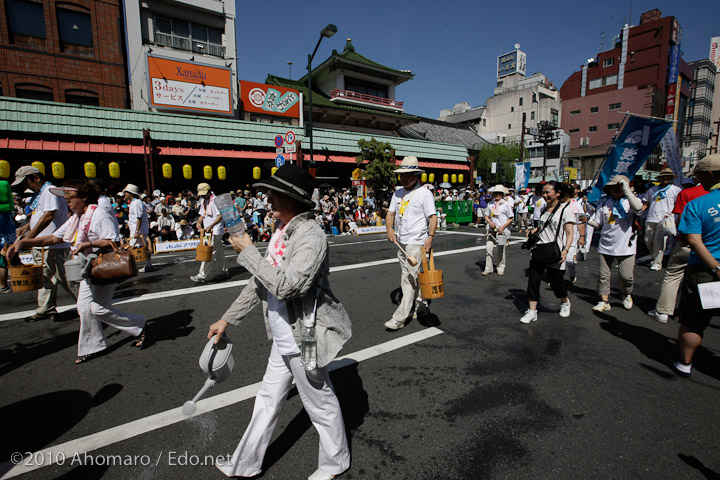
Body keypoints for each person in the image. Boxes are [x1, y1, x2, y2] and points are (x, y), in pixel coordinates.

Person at [208, 165, 352, 480]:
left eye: (274, 193)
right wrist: (227, 319)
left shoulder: (311, 235)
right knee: (267, 399)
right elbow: (261, 280)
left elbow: (288, 286)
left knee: (319, 401)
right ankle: (244, 464)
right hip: (282, 335)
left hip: (307, 335)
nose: (268, 198)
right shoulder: (280, 231)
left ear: (293, 198)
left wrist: (247, 252)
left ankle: (335, 462)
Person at [7, 181, 147, 364]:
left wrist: (88, 244)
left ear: (83, 197)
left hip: (103, 267)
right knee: (83, 308)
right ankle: (93, 346)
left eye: (69, 198)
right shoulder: (76, 218)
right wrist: (23, 243)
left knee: (97, 308)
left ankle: (139, 325)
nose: (67, 202)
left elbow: (112, 240)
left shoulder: (98, 214)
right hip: (86, 269)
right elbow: (53, 238)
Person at [672, 155, 720, 377]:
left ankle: (685, 363)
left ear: (710, 175)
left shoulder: (698, 203)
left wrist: (716, 267)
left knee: (694, 321)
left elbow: (693, 240)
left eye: (699, 174)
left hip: (705, 272)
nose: (697, 179)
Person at [11, 166, 76, 321]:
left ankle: (88, 305)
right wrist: (26, 227)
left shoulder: (50, 191)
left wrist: (28, 239)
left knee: (66, 279)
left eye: (26, 182)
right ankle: (46, 308)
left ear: (36, 177)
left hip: (54, 244)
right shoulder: (40, 193)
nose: (25, 186)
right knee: (45, 278)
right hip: (42, 244)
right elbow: (40, 214)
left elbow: (48, 216)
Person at [385, 156, 437, 330]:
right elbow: (390, 214)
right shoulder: (397, 193)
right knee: (413, 278)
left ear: (416, 174)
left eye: (408, 174)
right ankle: (421, 307)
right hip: (402, 243)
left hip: (418, 242)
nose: (404, 178)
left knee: (407, 279)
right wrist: (389, 229)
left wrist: (430, 237)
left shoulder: (425, 193)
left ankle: (399, 318)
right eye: (402, 175)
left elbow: (432, 217)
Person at [647, 177, 708, 323]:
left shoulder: (687, 193)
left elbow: (681, 220)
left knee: (673, 276)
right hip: (712, 246)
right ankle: (701, 314)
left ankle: (663, 311)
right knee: (705, 278)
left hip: (688, 243)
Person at [583, 175, 643, 312]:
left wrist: (627, 190)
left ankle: (626, 293)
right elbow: (598, 223)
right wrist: (586, 219)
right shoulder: (604, 203)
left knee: (626, 276)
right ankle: (604, 300)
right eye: (613, 187)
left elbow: (639, 208)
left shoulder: (631, 202)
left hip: (626, 247)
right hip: (606, 245)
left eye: (619, 187)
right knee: (604, 275)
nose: (616, 189)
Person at [520, 181, 575, 324]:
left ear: (558, 193)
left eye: (547, 192)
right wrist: (534, 230)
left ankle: (564, 302)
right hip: (539, 250)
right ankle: (532, 311)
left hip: (554, 251)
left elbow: (569, 233)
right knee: (533, 281)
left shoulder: (565, 210)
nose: (544, 195)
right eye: (543, 192)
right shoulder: (544, 209)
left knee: (556, 284)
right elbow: (542, 227)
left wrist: (566, 250)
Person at [642, 168, 682, 271]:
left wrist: (674, 215)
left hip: (665, 219)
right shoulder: (653, 190)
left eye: (668, 176)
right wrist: (639, 212)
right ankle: (654, 256)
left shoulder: (676, 190)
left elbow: (679, 204)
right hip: (651, 218)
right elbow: (646, 203)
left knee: (659, 242)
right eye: (664, 176)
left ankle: (657, 262)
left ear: (671, 178)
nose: (666, 178)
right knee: (648, 240)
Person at [191, 183, 228, 283]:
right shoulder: (203, 201)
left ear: (209, 191)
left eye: (203, 193)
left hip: (215, 229)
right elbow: (202, 215)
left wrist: (211, 225)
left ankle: (202, 274)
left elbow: (220, 216)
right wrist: (198, 222)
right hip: (208, 229)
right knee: (218, 251)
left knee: (210, 251)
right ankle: (224, 271)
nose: (202, 196)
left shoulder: (216, 200)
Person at [482, 185, 514, 276]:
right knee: (488, 249)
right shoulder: (490, 204)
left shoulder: (506, 204)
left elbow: (510, 218)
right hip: (492, 230)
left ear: (503, 194)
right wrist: (490, 222)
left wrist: (503, 227)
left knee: (501, 249)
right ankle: (488, 268)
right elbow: (486, 216)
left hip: (502, 231)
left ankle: (500, 267)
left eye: (500, 193)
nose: (497, 195)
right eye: (496, 193)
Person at [123, 184, 154, 273]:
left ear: (130, 193)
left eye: (126, 193)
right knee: (144, 247)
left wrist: (136, 231)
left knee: (130, 247)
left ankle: (130, 267)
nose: (125, 195)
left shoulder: (136, 203)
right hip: (137, 229)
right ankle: (148, 264)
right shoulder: (135, 203)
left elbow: (139, 218)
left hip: (138, 230)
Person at [0, 180, 16, 293]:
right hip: (6, 239)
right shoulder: (6, 212)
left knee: (2, 263)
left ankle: (3, 285)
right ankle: (3, 285)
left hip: (4, 239)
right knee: (3, 263)